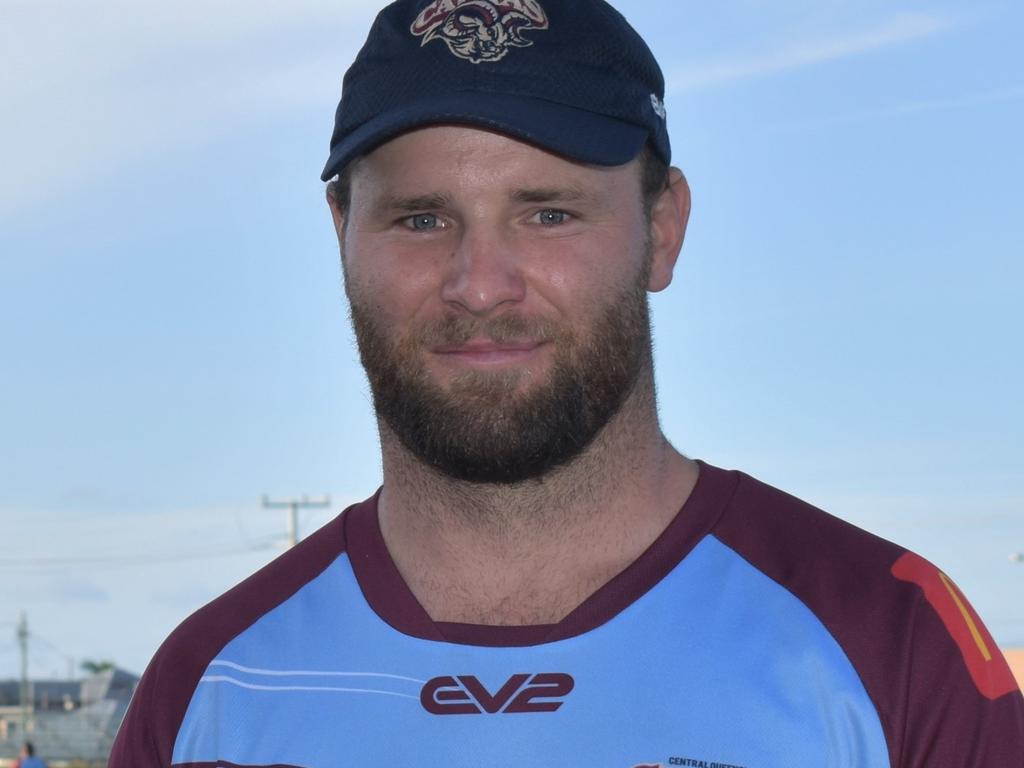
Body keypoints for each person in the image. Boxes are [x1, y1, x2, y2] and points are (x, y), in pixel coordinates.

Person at [110, 1, 1024, 766]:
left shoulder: (884, 641)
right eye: (422, 218)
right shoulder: (214, 691)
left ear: (661, 229)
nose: (479, 283)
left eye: (549, 213)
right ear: (341, 232)